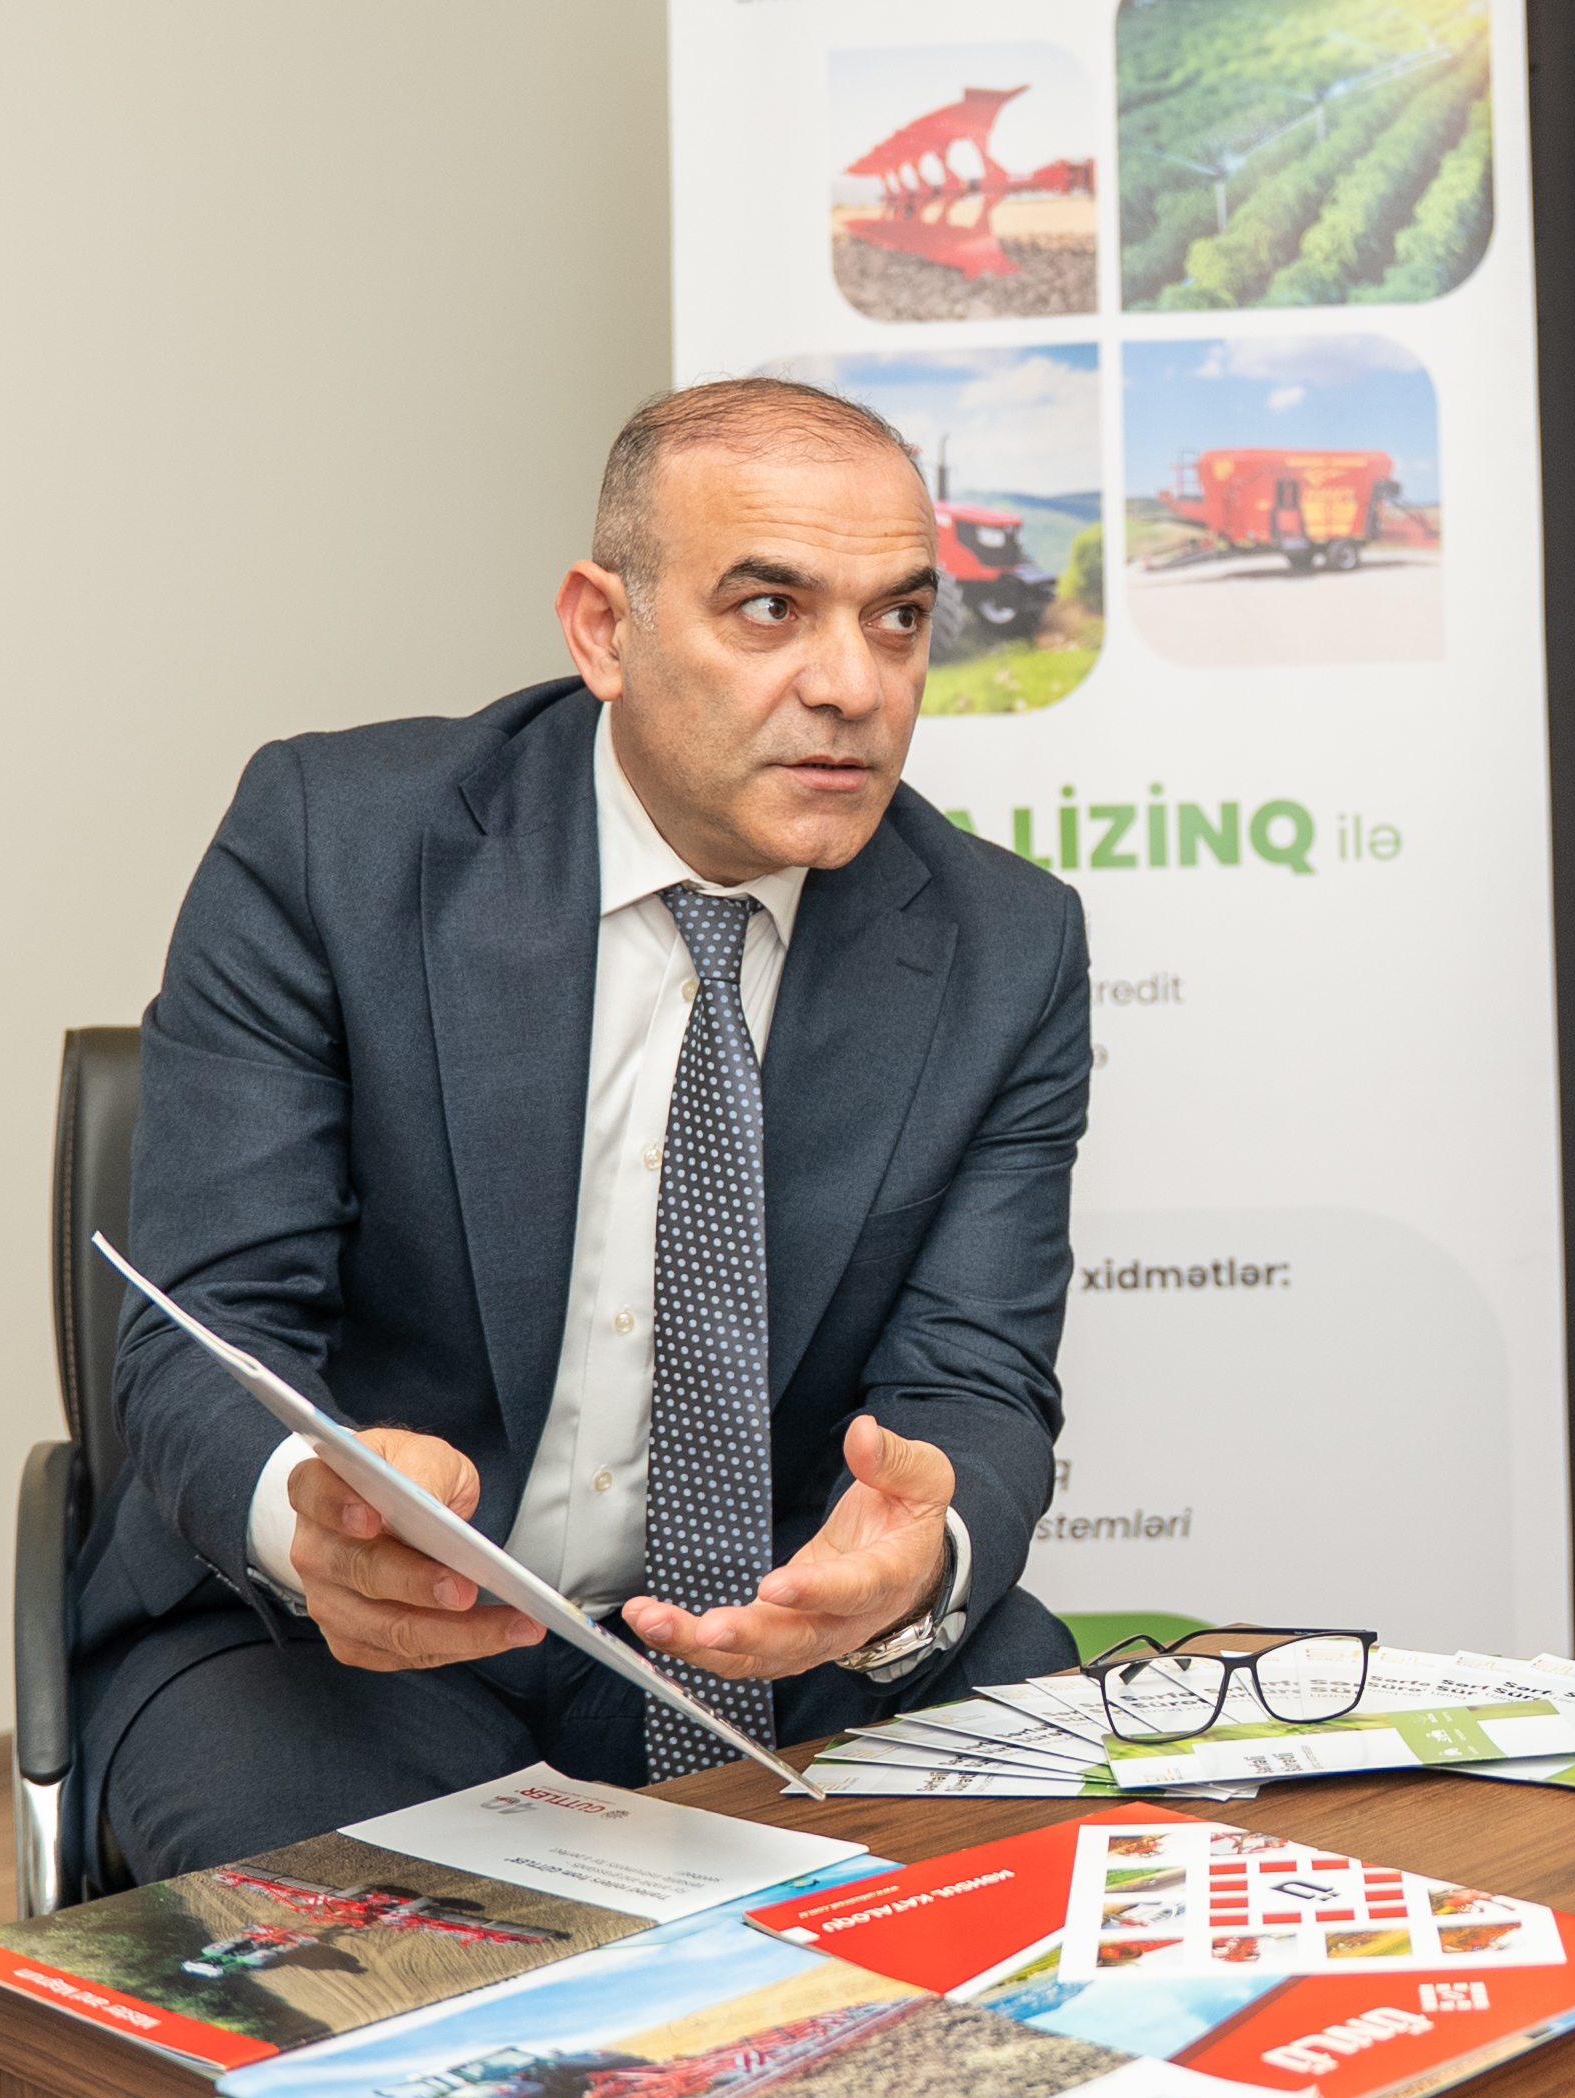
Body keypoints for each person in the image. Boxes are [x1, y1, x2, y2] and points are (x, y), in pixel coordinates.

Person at [75, 378, 1089, 1881]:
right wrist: (318, 1518)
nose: (853, 684)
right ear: (603, 628)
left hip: (784, 1638)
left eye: (898, 619)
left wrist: (914, 1558)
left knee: (1063, 1873)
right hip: (360, 1645)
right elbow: (207, 1332)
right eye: (769, 609)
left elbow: (975, 1376)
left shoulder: (1006, 947)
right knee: (394, 1952)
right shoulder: (333, 846)